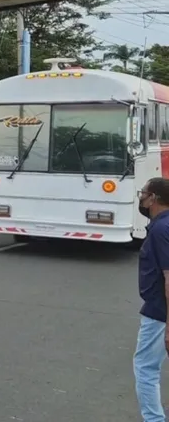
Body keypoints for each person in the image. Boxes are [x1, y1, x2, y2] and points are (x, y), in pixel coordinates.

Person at [134, 177, 169, 422]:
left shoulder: (160, 229)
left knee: (145, 368)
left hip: (160, 312)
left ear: (153, 198)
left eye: (143, 193)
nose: (141, 197)